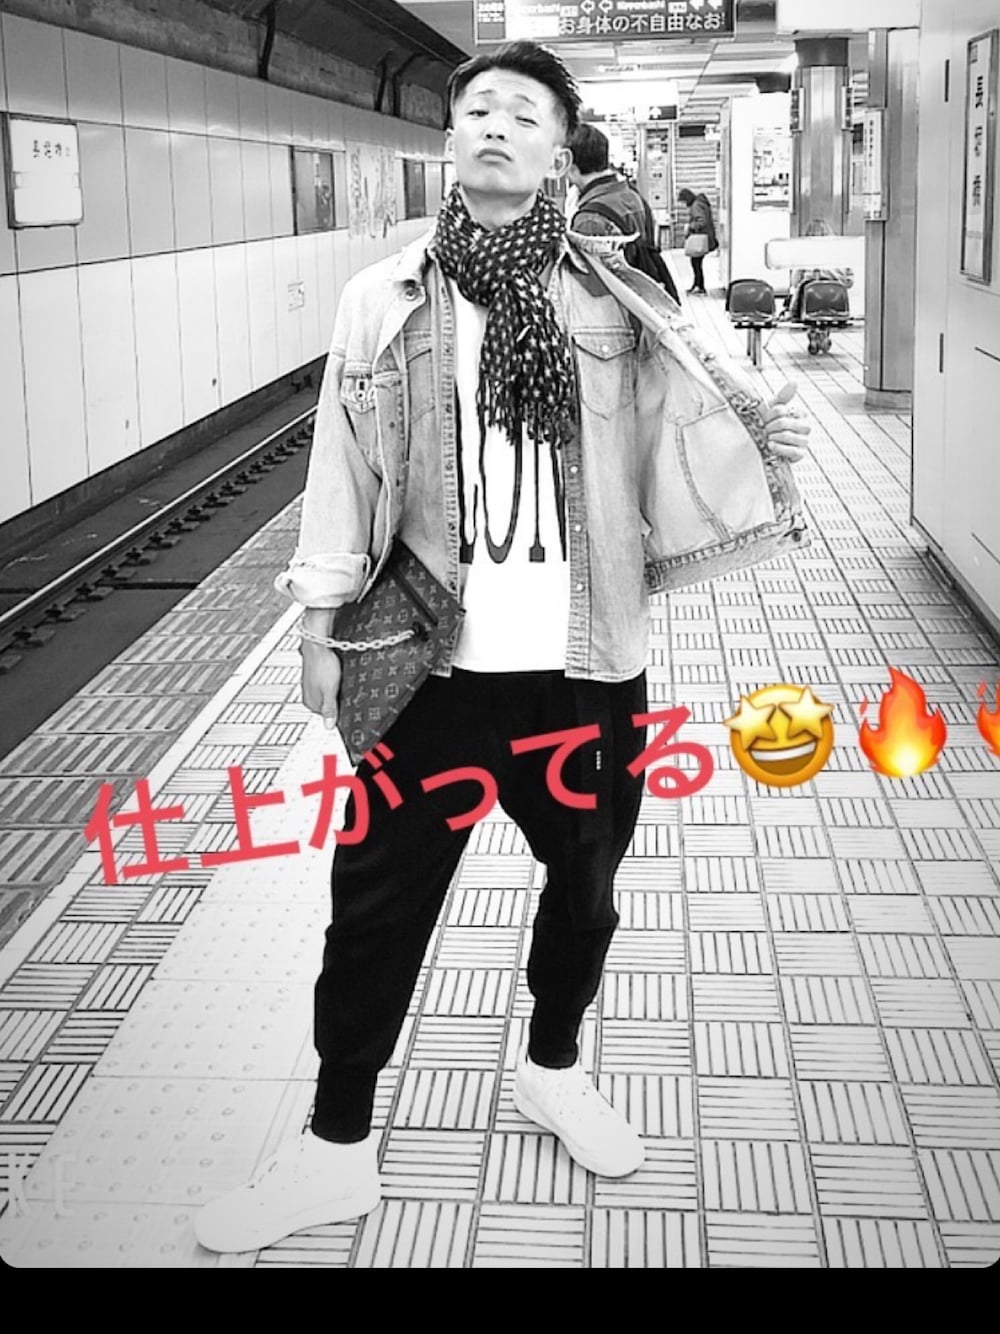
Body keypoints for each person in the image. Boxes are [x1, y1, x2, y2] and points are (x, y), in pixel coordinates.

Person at [194, 40, 810, 1255]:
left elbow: (680, 425)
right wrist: (316, 625)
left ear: (558, 152)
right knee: (373, 908)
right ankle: (334, 1144)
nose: (495, 126)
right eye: (477, 108)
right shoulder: (383, 297)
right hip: (428, 665)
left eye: (524, 114)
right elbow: (341, 465)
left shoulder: (615, 296)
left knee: (585, 890)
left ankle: (553, 1068)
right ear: (449, 139)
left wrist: (761, 436)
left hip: (585, 667)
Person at [567, 124, 679, 303]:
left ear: (571, 166)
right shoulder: (633, 196)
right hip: (642, 302)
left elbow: (592, 293)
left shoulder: (589, 219)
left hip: (617, 311)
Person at [783, 218, 854, 321]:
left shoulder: (803, 253)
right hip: (838, 303)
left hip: (810, 303)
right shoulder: (842, 253)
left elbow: (795, 281)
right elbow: (850, 282)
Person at [677, 186, 717, 294]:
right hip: (705, 236)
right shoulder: (700, 203)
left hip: (700, 237)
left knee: (696, 263)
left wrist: (690, 227)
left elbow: (701, 221)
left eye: (683, 201)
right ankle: (697, 285)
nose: (684, 204)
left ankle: (699, 286)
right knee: (696, 263)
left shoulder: (696, 206)